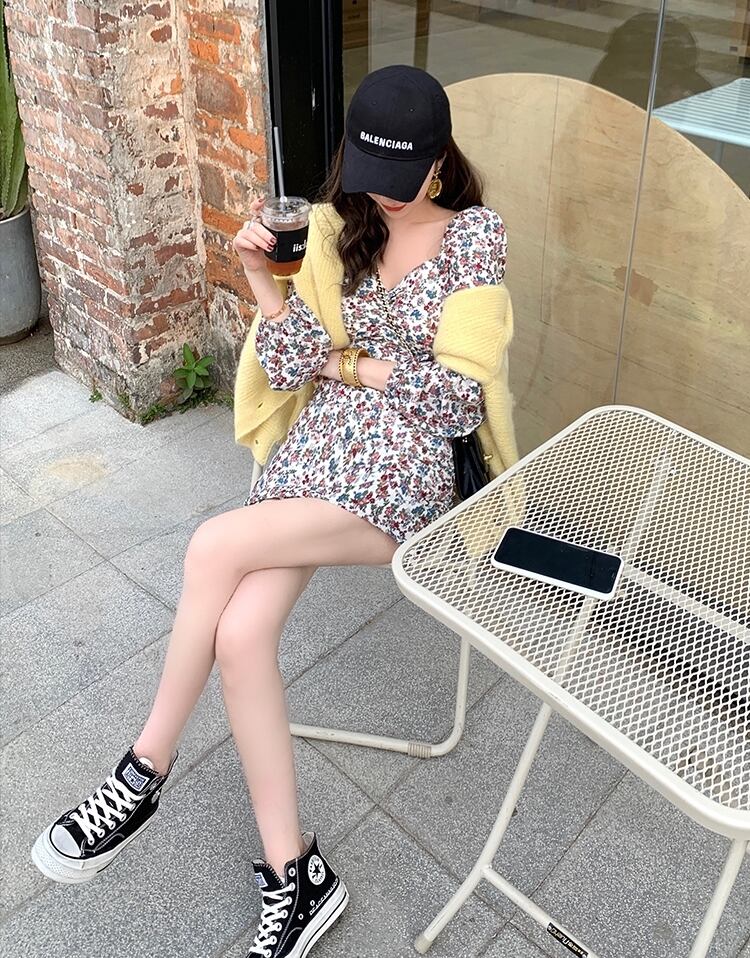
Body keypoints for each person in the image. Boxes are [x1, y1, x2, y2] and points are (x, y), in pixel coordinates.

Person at [30, 64, 517, 958]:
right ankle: (297, 879)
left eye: (401, 178)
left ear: (440, 163)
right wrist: (263, 281)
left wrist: (352, 364)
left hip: (409, 477)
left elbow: (457, 402)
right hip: (322, 450)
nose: (383, 195)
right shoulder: (337, 227)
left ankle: (143, 768)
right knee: (242, 632)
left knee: (213, 546)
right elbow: (292, 364)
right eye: (369, 172)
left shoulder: (474, 238)